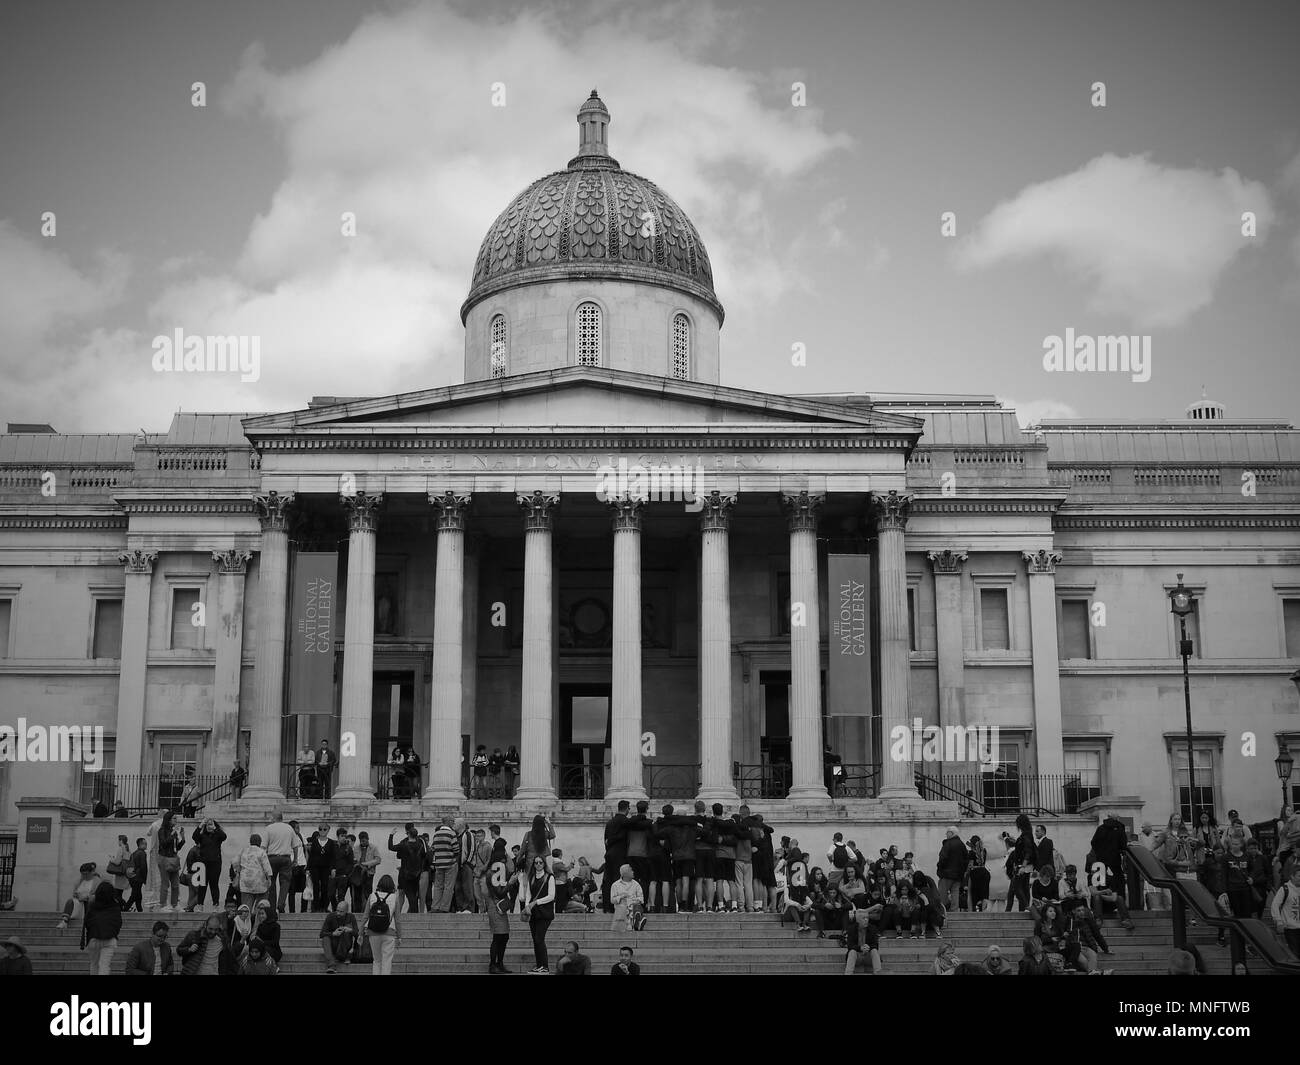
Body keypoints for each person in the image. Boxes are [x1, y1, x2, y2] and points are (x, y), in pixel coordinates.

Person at [361, 874, 402, 975]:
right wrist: (399, 936)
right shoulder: (394, 898)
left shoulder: (372, 896)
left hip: (373, 932)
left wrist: (360, 933)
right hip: (389, 932)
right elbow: (397, 920)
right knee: (386, 961)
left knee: (377, 961)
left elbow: (365, 916)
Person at [523, 853, 556, 974]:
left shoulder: (549, 877)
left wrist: (536, 902)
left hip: (545, 913)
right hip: (533, 913)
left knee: (539, 939)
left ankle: (544, 966)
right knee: (535, 939)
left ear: (544, 864)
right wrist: (527, 906)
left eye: (540, 862)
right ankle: (539, 965)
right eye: (536, 862)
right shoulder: (531, 877)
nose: (538, 864)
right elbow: (528, 894)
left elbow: (551, 896)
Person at [484, 849, 516, 974]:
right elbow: (500, 892)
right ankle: (493, 965)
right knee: (498, 937)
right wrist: (510, 883)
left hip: (499, 907)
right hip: (495, 907)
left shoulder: (497, 871)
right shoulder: (492, 873)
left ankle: (499, 963)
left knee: (504, 936)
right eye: (505, 858)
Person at [82, 881, 123, 975]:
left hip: (94, 937)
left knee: (94, 964)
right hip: (109, 938)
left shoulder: (92, 906)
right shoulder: (115, 906)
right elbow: (118, 923)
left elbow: (88, 922)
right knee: (104, 965)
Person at [149, 808, 184, 912]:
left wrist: (182, 837)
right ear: (168, 819)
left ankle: (174, 904)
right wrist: (173, 833)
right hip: (164, 858)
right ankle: (163, 904)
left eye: (176, 818)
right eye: (174, 818)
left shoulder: (174, 831)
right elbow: (163, 843)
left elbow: (177, 847)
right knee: (165, 883)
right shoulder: (162, 830)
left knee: (175, 883)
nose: (176, 820)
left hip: (173, 858)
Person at [189, 817, 226, 911]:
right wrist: (200, 825)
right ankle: (200, 904)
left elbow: (224, 836)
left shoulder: (217, 835)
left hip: (215, 863)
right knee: (202, 885)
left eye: (211, 824)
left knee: (214, 884)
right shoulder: (202, 835)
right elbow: (194, 837)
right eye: (208, 825)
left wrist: (215, 829)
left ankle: (215, 905)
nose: (209, 826)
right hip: (203, 863)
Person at [388, 822, 426, 914]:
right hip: (417, 873)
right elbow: (424, 856)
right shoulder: (421, 844)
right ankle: (414, 912)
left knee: (409, 894)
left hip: (406, 873)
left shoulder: (403, 844)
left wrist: (391, 835)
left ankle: (411, 912)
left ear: (408, 833)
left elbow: (391, 847)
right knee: (414, 894)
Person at [263, 812, 297, 913]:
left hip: (272, 858)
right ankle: (281, 904)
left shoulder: (268, 828)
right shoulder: (289, 828)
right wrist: (295, 859)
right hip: (285, 858)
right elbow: (295, 846)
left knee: (271, 883)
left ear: (274, 818)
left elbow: (263, 847)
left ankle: (272, 907)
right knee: (285, 882)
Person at [602, 801, 631, 913]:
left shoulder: (610, 822)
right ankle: (616, 905)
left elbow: (605, 840)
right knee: (618, 880)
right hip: (621, 854)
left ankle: (607, 906)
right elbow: (626, 838)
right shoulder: (626, 822)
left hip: (609, 853)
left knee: (607, 880)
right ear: (627, 809)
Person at [56, 862, 102, 930]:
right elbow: (75, 892)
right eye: (82, 874)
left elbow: (99, 896)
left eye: (86, 874)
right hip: (79, 903)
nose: (84, 876)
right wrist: (76, 895)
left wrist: (86, 897)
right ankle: (64, 921)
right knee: (70, 901)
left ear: (91, 872)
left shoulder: (97, 881)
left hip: (89, 904)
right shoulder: (79, 881)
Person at [319, 896, 357, 974]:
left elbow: (357, 934)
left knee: (347, 932)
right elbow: (321, 934)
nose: (338, 913)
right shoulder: (330, 916)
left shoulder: (351, 917)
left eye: (341, 911)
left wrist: (350, 930)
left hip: (345, 945)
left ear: (347, 911)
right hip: (334, 944)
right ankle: (332, 965)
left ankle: (343, 956)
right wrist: (333, 933)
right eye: (337, 910)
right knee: (325, 938)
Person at [1008, 814, 1037, 912]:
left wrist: (1022, 866)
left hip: (1023, 865)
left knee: (1017, 888)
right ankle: (1024, 909)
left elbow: (1028, 851)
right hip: (1026, 865)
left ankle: (1026, 907)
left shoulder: (1026, 835)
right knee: (1024, 888)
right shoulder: (1028, 834)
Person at [1269, 864, 1300, 955]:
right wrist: (1278, 921)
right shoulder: (1285, 889)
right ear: (1292, 876)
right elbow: (1275, 905)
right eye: (1299, 876)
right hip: (1290, 928)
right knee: (1295, 953)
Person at [237, 833, 273, 909]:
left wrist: (238, 873)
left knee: (246, 907)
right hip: (259, 882)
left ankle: (246, 919)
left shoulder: (244, 851)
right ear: (260, 842)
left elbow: (235, 863)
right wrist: (269, 879)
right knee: (261, 904)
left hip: (246, 882)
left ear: (250, 842)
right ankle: (258, 917)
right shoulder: (261, 852)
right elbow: (266, 867)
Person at [842, 907, 882, 975]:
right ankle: (848, 973)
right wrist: (860, 948)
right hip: (857, 957)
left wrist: (868, 947)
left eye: (867, 918)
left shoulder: (873, 928)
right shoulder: (851, 929)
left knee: (874, 951)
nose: (866, 920)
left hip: (868, 956)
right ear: (858, 920)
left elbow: (875, 945)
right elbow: (850, 945)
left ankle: (878, 973)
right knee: (852, 952)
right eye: (863, 918)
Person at [936, 827, 967, 911]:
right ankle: (954, 910)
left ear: (951, 833)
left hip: (946, 873)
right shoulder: (962, 844)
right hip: (958, 875)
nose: (946, 835)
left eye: (947, 833)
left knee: (942, 893)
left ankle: (942, 910)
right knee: (955, 893)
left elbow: (943, 858)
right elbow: (965, 860)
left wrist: (939, 869)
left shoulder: (948, 844)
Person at [306, 823, 336, 913]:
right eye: (320, 829)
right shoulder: (315, 842)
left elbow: (332, 857)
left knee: (325, 886)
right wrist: (308, 868)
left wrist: (333, 868)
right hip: (315, 867)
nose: (322, 831)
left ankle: (324, 906)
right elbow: (311, 856)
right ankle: (315, 907)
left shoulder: (331, 842)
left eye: (324, 829)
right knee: (316, 886)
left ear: (328, 830)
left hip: (326, 867)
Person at [610, 863, 647, 933]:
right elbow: (612, 900)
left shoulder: (636, 884)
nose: (633, 872)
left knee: (637, 907)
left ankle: (637, 918)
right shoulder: (615, 885)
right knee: (628, 909)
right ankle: (638, 922)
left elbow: (641, 899)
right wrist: (621, 897)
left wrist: (633, 900)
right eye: (631, 871)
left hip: (633, 907)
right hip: (621, 909)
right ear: (625, 874)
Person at [353, 830, 381, 913]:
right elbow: (354, 859)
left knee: (368, 894)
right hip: (358, 873)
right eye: (361, 841)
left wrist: (367, 864)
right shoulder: (356, 848)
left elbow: (378, 859)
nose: (363, 842)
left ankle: (368, 911)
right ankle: (357, 911)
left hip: (369, 873)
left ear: (368, 839)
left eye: (364, 841)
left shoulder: (373, 847)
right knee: (357, 894)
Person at [330, 827, 355, 908]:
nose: (344, 837)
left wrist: (346, 873)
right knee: (331, 894)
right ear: (338, 836)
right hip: (333, 875)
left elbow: (351, 863)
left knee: (341, 896)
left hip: (343, 876)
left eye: (345, 836)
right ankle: (334, 909)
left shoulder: (348, 848)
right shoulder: (333, 846)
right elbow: (330, 859)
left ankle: (340, 911)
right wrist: (331, 869)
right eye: (342, 836)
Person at [253, 900, 281, 965]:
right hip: (261, 948)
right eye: (259, 914)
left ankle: (272, 966)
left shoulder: (276, 926)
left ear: (268, 914)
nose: (260, 916)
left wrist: (263, 942)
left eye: (262, 914)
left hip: (273, 950)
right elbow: (257, 938)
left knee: (264, 950)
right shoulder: (260, 925)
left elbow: (275, 942)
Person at [966, 835, 990, 912]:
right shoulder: (984, 851)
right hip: (985, 872)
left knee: (971, 893)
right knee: (984, 893)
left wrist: (966, 873)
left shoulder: (971, 853)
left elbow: (970, 865)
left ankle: (971, 909)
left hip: (975, 873)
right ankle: (984, 910)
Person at [107, 833, 131, 907]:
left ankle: (126, 907)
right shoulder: (128, 849)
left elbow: (117, 862)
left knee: (116, 895)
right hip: (125, 874)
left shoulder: (121, 849)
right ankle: (124, 908)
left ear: (121, 841)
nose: (118, 842)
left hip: (120, 874)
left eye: (118, 840)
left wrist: (111, 859)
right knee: (119, 894)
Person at [125, 838, 148, 912]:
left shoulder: (134, 853)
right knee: (134, 895)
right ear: (141, 844)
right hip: (138, 878)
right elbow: (143, 867)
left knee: (138, 895)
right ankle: (124, 909)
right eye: (145, 843)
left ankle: (140, 910)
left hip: (132, 877)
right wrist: (145, 879)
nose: (146, 845)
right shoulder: (142, 853)